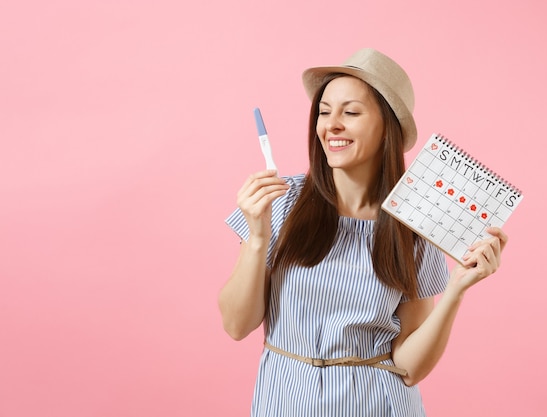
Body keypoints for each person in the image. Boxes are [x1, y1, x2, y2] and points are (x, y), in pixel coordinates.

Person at [218, 48, 508, 417]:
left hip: (379, 405)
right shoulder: (281, 202)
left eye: (350, 112)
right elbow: (236, 325)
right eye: (324, 112)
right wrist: (258, 238)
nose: (331, 125)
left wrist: (456, 288)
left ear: (387, 126)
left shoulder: (413, 227)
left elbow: (408, 366)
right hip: (286, 401)